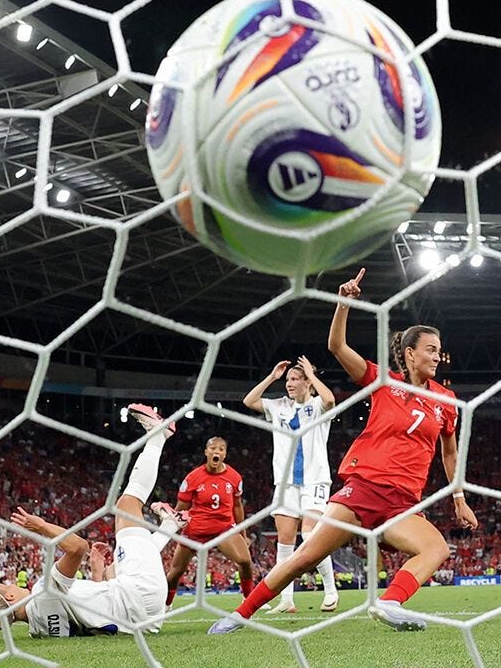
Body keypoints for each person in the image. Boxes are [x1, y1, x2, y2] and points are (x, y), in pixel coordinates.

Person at [210, 267, 478, 635]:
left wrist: (459, 497)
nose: (437, 356)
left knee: (435, 548)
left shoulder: (446, 401)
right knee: (307, 556)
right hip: (364, 489)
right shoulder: (384, 382)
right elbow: (337, 347)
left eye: (438, 350)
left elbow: (449, 452)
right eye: (430, 349)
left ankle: (389, 603)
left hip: (402, 503)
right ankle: (240, 614)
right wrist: (343, 304)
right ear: (410, 354)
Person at [0, 403, 184, 640]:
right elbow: (77, 547)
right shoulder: (42, 592)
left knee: (120, 563)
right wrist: (40, 526)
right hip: (139, 595)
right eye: (7, 585)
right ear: (9, 597)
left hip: (143, 620)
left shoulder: (38, 631)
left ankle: (170, 524)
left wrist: (97, 571)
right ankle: (158, 436)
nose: (12, 584)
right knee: (126, 506)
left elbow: (89, 615)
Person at [242, 356, 340, 613]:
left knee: (309, 533)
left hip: (314, 479)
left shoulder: (318, 405)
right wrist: (271, 377)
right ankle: (287, 599)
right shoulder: (278, 406)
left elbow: (330, 400)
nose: (289, 383)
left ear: (307, 382)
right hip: (286, 482)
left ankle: (330, 591)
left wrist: (311, 373)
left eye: (295, 379)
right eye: (288, 380)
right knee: (285, 541)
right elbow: (248, 401)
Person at [157, 436, 255, 609]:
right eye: (212, 448)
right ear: (206, 452)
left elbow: (238, 507)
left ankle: (249, 599)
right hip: (196, 530)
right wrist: (174, 528)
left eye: (221, 449)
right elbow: (181, 508)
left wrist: (243, 534)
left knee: (245, 562)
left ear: (225, 454)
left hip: (223, 529)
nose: (216, 451)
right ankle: (165, 605)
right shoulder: (193, 478)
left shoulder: (234, 477)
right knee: (176, 572)